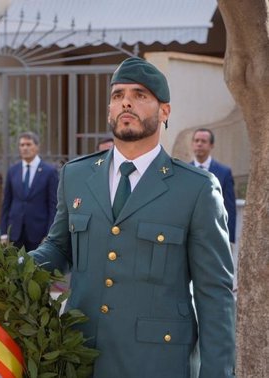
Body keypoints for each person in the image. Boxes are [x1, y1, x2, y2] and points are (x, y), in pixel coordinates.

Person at [29, 57, 235, 377]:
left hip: (157, 363)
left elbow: (215, 294)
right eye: (117, 95)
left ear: (164, 111)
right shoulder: (76, 175)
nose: (126, 101)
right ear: (110, 110)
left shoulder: (196, 189)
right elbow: (58, 249)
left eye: (140, 95)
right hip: (82, 356)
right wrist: (10, 267)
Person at [0, 131, 59, 251]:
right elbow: (6, 203)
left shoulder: (49, 171)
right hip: (15, 233)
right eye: (22, 145)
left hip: (38, 233)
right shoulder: (13, 171)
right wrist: (4, 233)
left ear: (37, 147)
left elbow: (53, 205)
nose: (25, 148)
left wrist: (49, 234)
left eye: (28, 144)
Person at [190, 128, 236, 244]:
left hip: (214, 236)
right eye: (196, 141)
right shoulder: (183, 170)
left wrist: (229, 239)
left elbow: (229, 207)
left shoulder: (224, 172)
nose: (199, 144)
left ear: (211, 145)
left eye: (203, 141)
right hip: (188, 234)